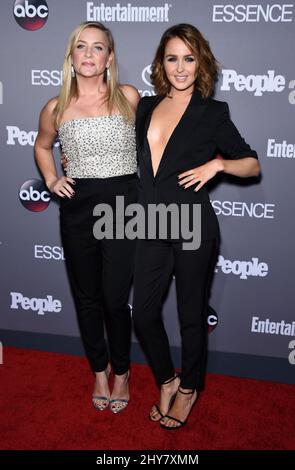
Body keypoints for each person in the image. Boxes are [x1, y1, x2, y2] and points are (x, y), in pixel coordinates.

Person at [132, 23, 260, 429]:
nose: (181, 67)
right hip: (150, 225)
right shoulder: (146, 107)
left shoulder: (211, 112)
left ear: (200, 61)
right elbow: (128, 164)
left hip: (192, 226)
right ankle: (168, 379)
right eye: (173, 58)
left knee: (190, 316)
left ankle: (189, 388)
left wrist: (218, 163)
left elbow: (251, 163)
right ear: (161, 63)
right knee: (145, 313)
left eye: (189, 58)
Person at [34, 21, 140, 414]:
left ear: (110, 58)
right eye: (82, 47)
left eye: (98, 47)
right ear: (72, 57)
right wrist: (51, 178)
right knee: (87, 298)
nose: (90, 54)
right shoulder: (56, 107)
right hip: (78, 209)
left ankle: (123, 371)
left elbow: (155, 142)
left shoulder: (129, 96)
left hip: (123, 207)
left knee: (115, 298)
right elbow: (43, 145)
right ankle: (100, 370)